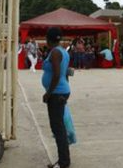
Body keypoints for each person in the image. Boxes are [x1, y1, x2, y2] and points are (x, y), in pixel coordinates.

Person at [42, 27, 71, 168]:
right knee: (59, 127)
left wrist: (48, 93)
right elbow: (66, 74)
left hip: (56, 94)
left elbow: (57, 74)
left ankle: (64, 162)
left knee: (58, 129)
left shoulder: (54, 53)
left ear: (48, 40)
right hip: (61, 91)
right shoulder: (64, 52)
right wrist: (66, 91)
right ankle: (63, 160)